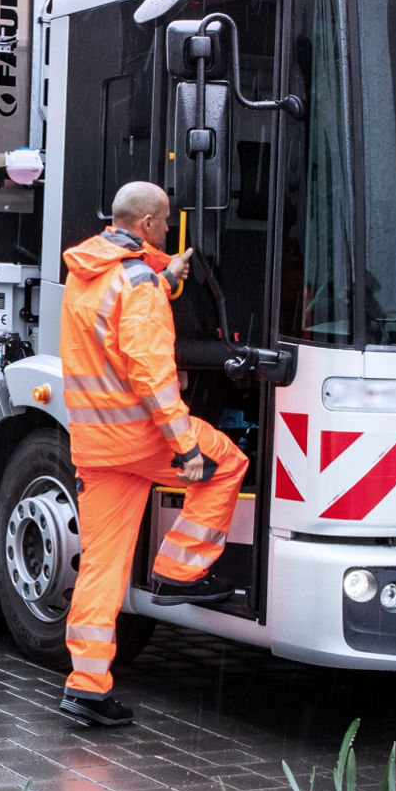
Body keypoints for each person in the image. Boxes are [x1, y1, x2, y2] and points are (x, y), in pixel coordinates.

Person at [57, 181, 250, 728]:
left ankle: (87, 687)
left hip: (95, 444)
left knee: (102, 564)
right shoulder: (136, 282)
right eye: (163, 223)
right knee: (228, 464)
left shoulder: (85, 273)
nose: (167, 229)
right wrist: (184, 445)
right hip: (141, 438)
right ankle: (178, 571)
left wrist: (164, 279)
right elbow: (150, 371)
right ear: (146, 226)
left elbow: (116, 319)